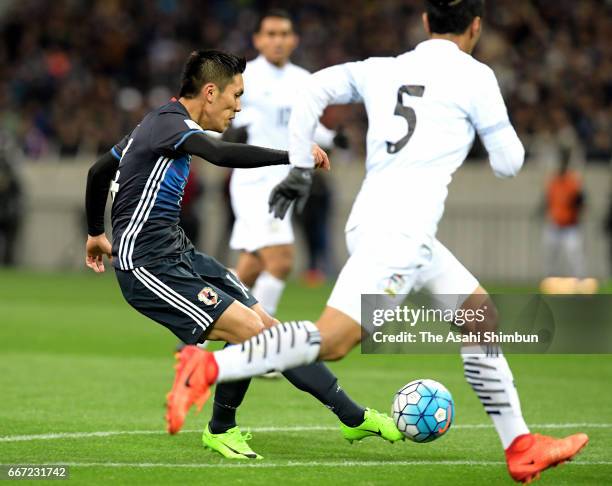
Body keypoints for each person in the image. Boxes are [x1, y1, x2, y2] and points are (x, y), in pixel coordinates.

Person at [168, 2, 589, 483]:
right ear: (476, 27)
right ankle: (206, 368)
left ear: (427, 23)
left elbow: (312, 88)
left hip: (382, 222)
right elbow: (509, 163)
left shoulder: (382, 69)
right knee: (333, 341)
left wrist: (302, 167)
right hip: (401, 233)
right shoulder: (476, 78)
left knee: (480, 316)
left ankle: (520, 446)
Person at [85, 49, 402, 460]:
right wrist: (294, 154)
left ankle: (351, 417)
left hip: (178, 252)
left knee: (268, 327)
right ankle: (229, 428)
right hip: (148, 265)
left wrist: (95, 233)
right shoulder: (169, 124)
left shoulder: (157, 123)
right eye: (236, 95)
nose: (239, 105)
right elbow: (219, 155)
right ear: (211, 92)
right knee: (255, 334)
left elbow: (98, 171)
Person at [228, 9, 340, 314]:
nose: (278, 40)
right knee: (281, 259)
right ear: (258, 40)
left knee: (250, 267)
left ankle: (195, 335)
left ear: (294, 40)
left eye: (284, 34)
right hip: (254, 181)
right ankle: (255, 342)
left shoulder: (304, 81)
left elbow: (309, 127)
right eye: (271, 34)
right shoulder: (244, 78)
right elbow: (225, 119)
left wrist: (333, 138)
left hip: (285, 183)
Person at [543, 148, 586, 277]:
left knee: (575, 255)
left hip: (570, 225)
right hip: (555, 224)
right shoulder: (553, 182)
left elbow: (581, 200)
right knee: (549, 255)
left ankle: (580, 284)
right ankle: (549, 282)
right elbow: (547, 200)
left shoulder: (573, 181)